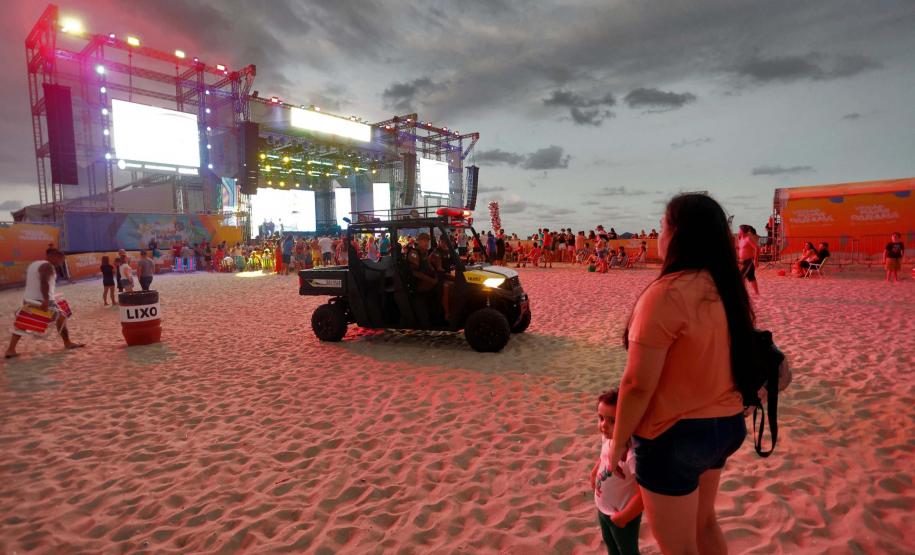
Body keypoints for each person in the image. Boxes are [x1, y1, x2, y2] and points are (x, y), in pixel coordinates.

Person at [610, 194, 749, 554]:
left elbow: (637, 384)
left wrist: (618, 442)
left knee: (679, 546)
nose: (658, 233)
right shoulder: (724, 287)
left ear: (677, 234)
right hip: (725, 425)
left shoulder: (667, 294)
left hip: (675, 434)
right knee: (704, 524)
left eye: (662, 225)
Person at [591, 389, 644, 555]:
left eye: (612, 421)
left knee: (627, 551)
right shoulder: (608, 437)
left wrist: (624, 516)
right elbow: (604, 457)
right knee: (611, 547)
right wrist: (594, 472)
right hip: (603, 507)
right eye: (601, 418)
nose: (604, 425)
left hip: (621, 515)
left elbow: (645, 493)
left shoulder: (631, 454)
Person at [6, 249, 85, 358]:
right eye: (61, 260)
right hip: (41, 301)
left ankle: (11, 349)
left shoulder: (34, 264)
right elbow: (44, 282)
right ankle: (67, 343)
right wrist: (46, 299)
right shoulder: (48, 266)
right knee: (62, 316)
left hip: (28, 300)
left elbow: (37, 283)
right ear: (54, 256)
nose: (60, 263)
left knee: (23, 323)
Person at [737, 224, 760, 295]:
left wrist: (756, 260)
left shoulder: (748, 239)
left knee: (740, 277)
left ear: (743, 231)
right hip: (742, 262)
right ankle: (757, 293)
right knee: (751, 277)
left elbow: (757, 248)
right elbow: (741, 249)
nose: (738, 231)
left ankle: (741, 294)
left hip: (748, 262)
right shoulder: (740, 239)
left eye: (739, 230)